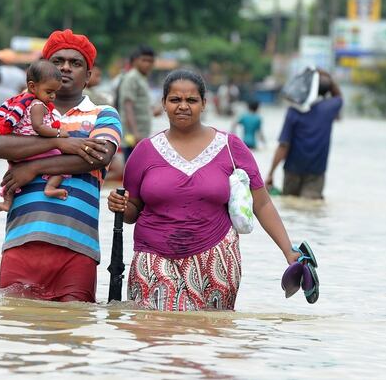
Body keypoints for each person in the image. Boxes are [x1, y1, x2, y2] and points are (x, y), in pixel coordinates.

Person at [107, 70, 301, 312]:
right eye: (175, 100)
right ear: (164, 105)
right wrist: (120, 205)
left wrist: (288, 251)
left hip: (216, 257)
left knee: (209, 338)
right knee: (153, 335)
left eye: (191, 100)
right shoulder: (144, 151)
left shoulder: (231, 147)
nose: (183, 106)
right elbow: (132, 211)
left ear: (204, 104)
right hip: (153, 257)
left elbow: (262, 204)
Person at [0, 28, 122, 303]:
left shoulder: (103, 114)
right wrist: (62, 144)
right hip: (22, 239)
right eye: (58, 62)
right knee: (14, 331)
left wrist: (33, 168)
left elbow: (100, 156)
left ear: (89, 75)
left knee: (73, 332)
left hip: (78, 247)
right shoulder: (20, 109)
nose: (66, 68)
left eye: (76, 63)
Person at [0, 61, 69, 212]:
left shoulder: (23, 104)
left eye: (55, 92)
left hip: (21, 152)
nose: (53, 96)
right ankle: (50, 187)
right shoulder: (38, 105)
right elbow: (39, 127)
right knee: (62, 162)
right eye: (49, 92)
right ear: (33, 86)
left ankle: (7, 202)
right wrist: (59, 134)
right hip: (36, 149)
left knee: (11, 176)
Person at [266, 69, 343, 199]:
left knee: (290, 207)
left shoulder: (293, 111)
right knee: (311, 209)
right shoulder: (329, 108)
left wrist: (271, 173)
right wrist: (324, 75)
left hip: (292, 170)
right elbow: (339, 96)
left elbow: (283, 145)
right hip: (316, 172)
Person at [117, 45, 156, 160]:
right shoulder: (132, 77)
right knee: (132, 168)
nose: (147, 64)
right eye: (144, 60)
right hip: (132, 136)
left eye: (150, 61)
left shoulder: (141, 78)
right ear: (134, 61)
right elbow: (128, 106)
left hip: (140, 134)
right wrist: (135, 133)